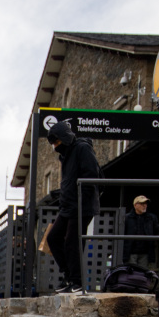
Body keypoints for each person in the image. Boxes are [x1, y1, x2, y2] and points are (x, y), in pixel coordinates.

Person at [45, 120, 100, 294]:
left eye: (56, 141)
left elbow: (91, 174)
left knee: (72, 241)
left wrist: (80, 194)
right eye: (53, 143)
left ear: (63, 138)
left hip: (82, 204)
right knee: (53, 238)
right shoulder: (65, 155)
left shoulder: (82, 148)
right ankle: (69, 275)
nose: (55, 146)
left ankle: (77, 281)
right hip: (68, 205)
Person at [123, 195, 159, 269]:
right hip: (131, 252)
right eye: (142, 204)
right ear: (135, 205)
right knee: (131, 273)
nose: (145, 206)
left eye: (145, 204)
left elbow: (157, 231)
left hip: (145, 252)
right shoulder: (127, 218)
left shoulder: (151, 218)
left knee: (142, 274)